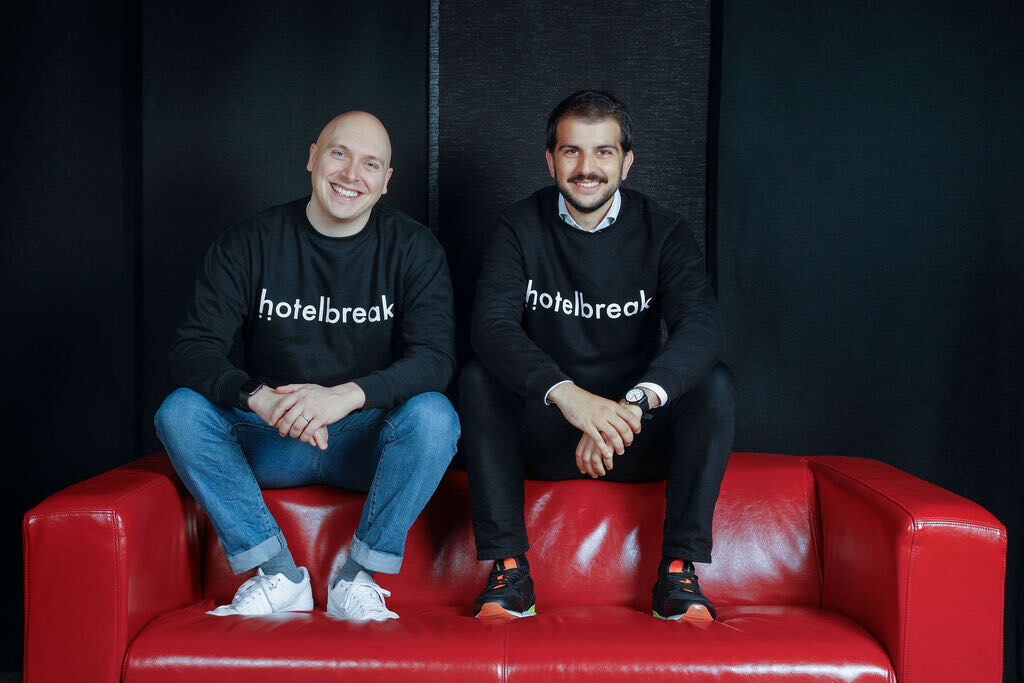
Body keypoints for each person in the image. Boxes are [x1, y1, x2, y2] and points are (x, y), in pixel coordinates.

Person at [155, 111, 459, 622]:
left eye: (370, 164)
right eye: (339, 154)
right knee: (180, 411)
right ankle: (278, 575)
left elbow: (435, 359)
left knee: (435, 416)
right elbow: (193, 349)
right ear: (313, 157)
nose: (351, 174)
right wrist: (260, 398)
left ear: (386, 181)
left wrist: (343, 396)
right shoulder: (250, 241)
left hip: (366, 441)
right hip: (272, 435)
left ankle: (357, 579)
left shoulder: (414, 249)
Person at [460, 90, 735, 622]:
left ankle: (678, 572)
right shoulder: (518, 226)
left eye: (603, 152)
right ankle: (509, 571)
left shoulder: (664, 231)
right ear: (550, 160)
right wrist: (571, 398)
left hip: (635, 435)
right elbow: (491, 327)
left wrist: (632, 407)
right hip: (548, 430)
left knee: (714, 383)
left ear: (626, 162)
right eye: (572, 151)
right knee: (478, 379)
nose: (587, 168)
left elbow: (702, 327)